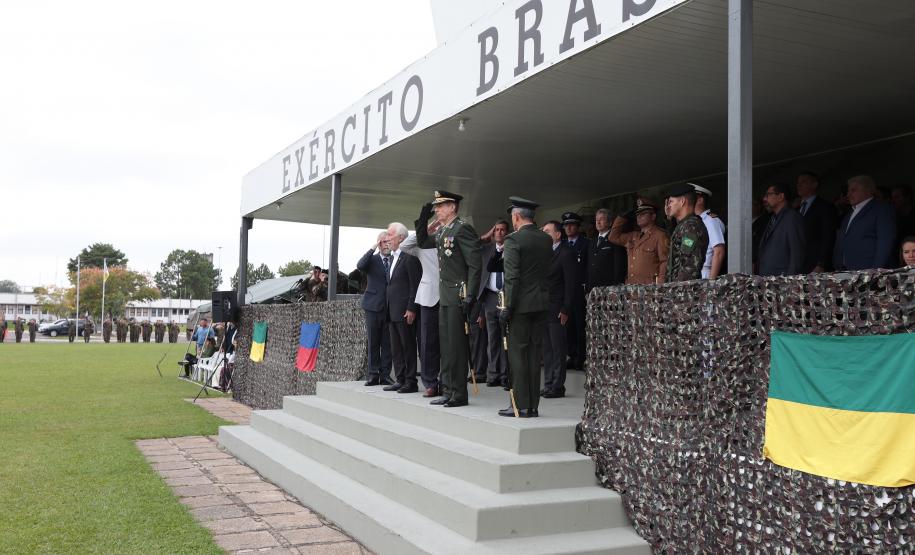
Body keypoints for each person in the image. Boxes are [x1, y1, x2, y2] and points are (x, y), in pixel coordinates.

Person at [415, 190, 481, 408]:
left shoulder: (462, 229)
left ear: (452, 207)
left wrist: (471, 294)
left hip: (458, 294)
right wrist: (423, 218)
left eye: (440, 206)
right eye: (435, 207)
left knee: (456, 346)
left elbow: (474, 264)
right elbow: (423, 241)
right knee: (447, 346)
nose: (437, 210)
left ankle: (459, 394)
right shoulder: (444, 231)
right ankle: (449, 391)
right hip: (445, 295)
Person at [498, 197, 551, 417]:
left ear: (517, 217)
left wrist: (507, 307)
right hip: (541, 303)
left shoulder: (513, 241)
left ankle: (519, 404)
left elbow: (512, 278)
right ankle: (533, 405)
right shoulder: (546, 239)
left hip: (520, 305)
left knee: (518, 354)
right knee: (533, 353)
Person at [401, 221, 443, 397]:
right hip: (428, 297)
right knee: (427, 344)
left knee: (449, 343)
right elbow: (404, 245)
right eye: (437, 229)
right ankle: (430, 383)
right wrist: (426, 229)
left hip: (450, 295)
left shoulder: (450, 243)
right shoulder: (423, 245)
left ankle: (448, 382)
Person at [382, 222, 423, 394]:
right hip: (392, 310)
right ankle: (400, 378)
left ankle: (410, 381)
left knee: (407, 346)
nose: (387, 239)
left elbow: (415, 284)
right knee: (396, 347)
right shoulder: (392, 258)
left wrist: (412, 308)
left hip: (405, 310)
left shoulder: (409, 257)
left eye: (390, 235)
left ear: (401, 237)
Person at [540, 220, 575, 398]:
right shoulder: (544, 253)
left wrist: (566, 308)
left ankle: (557, 385)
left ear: (558, 234)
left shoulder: (565, 253)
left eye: (547, 231)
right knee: (546, 349)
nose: (544, 234)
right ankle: (548, 384)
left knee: (558, 349)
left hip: (558, 308)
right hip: (544, 307)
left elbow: (570, 284)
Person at [833, 175, 897, 271]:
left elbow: (885, 242)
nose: (848, 194)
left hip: (868, 273)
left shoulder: (881, 210)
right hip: (845, 272)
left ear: (868, 190)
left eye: (853, 190)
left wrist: (876, 271)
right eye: (848, 191)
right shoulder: (848, 215)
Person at [356, 231, 395, 387]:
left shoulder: (395, 259)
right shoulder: (372, 259)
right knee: (373, 341)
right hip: (372, 306)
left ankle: (385, 374)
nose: (386, 245)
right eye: (383, 242)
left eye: (388, 242)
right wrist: (373, 247)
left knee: (388, 343)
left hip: (390, 307)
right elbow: (360, 265)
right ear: (379, 242)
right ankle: (373, 374)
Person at [478, 220, 510, 388]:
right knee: (492, 338)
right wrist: (485, 237)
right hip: (490, 297)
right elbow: (472, 245)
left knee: (505, 337)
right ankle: (493, 374)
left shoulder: (511, 249)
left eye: (502, 230)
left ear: (507, 232)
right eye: (496, 230)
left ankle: (505, 374)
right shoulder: (487, 250)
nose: (499, 233)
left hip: (506, 296)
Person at [608, 198, 670, 284]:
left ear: (653, 216)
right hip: (632, 287)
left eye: (643, 214)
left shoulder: (660, 235)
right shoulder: (634, 236)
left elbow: (665, 261)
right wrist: (621, 218)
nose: (639, 216)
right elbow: (613, 237)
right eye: (637, 214)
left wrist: (660, 284)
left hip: (649, 288)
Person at [758, 183, 806, 276]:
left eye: (768, 194)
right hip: (767, 279)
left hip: (782, 280)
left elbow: (797, 252)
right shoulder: (772, 218)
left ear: (781, 196)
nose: (764, 199)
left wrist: (790, 280)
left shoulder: (792, 217)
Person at [561, 211, 589, 371]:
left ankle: (581, 357)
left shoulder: (586, 243)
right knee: (568, 326)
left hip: (579, 290)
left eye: (572, 225)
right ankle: (571, 355)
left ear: (578, 227)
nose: (569, 228)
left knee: (580, 325)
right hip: (565, 291)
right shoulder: (563, 245)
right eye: (566, 225)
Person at [666, 184, 710, 282]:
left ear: (682, 202)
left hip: (683, 293)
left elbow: (689, 265)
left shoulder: (691, 226)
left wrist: (677, 292)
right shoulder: (683, 225)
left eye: (671, 201)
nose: (669, 205)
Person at [796, 172, 837, 273]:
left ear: (814, 184)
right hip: (797, 264)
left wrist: (821, 263)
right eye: (798, 182)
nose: (799, 185)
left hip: (814, 265)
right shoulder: (796, 209)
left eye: (803, 182)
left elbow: (828, 237)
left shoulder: (825, 207)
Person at [692, 184, 726, 279]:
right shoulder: (694, 221)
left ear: (700, 200)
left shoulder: (710, 220)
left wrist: (711, 283)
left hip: (705, 274)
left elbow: (719, 251)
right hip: (693, 273)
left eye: (691, 198)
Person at [588, 208, 627, 289]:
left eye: (601, 219)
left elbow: (619, 265)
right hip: (593, 288)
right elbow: (589, 266)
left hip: (609, 288)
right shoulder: (592, 242)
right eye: (596, 220)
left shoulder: (614, 239)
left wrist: (616, 287)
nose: (598, 222)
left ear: (609, 222)